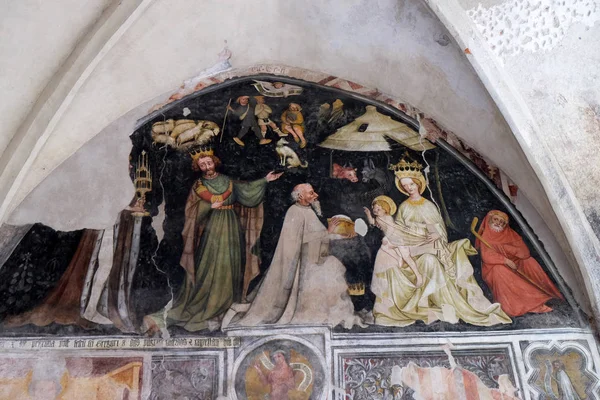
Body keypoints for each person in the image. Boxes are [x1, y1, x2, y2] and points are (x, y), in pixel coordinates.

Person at [143, 152, 282, 333]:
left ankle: (224, 308)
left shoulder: (228, 181)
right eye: (203, 165)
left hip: (231, 227)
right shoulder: (199, 185)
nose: (207, 167)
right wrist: (209, 206)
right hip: (212, 230)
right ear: (198, 167)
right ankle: (207, 306)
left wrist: (265, 180)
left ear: (214, 162)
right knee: (208, 266)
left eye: (209, 163)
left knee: (231, 265)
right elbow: (192, 211)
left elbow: (246, 191)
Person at [370, 158, 511, 327]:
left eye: (411, 185)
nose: (409, 188)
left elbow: (438, 233)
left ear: (419, 184)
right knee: (398, 260)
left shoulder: (428, 206)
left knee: (431, 261)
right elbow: (398, 232)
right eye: (405, 186)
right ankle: (420, 306)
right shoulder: (403, 207)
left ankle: (445, 306)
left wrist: (431, 234)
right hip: (410, 250)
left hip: (428, 249)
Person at [221, 183, 364, 329]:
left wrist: (342, 236)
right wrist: (328, 231)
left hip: (314, 260)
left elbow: (322, 236)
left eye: (313, 192)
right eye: (311, 193)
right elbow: (299, 239)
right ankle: (238, 308)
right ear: (300, 196)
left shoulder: (308, 210)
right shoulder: (294, 212)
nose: (315, 195)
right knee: (273, 306)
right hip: (300, 265)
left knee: (330, 273)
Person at [477, 210, 564, 317]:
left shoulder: (511, 234)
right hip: (494, 269)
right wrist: (505, 260)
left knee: (529, 261)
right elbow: (487, 257)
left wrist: (506, 248)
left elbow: (525, 253)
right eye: (496, 219)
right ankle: (533, 303)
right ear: (490, 220)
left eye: (502, 221)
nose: (498, 223)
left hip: (515, 264)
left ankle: (547, 292)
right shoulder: (486, 236)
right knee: (499, 270)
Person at [364, 195, 423, 288]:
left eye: (378, 209)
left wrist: (387, 239)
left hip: (398, 238)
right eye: (374, 209)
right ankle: (398, 265)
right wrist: (368, 214)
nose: (375, 211)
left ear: (385, 209)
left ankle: (418, 276)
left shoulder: (388, 218)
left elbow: (391, 230)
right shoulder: (378, 218)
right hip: (391, 240)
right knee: (389, 253)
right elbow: (372, 222)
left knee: (407, 257)